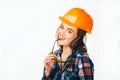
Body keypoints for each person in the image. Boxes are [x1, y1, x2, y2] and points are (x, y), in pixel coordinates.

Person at [42, 8, 94, 80]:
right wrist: (47, 72)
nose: (61, 33)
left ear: (78, 37)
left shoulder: (81, 59)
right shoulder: (55, 56)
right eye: (62, 27)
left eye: (69, 31)